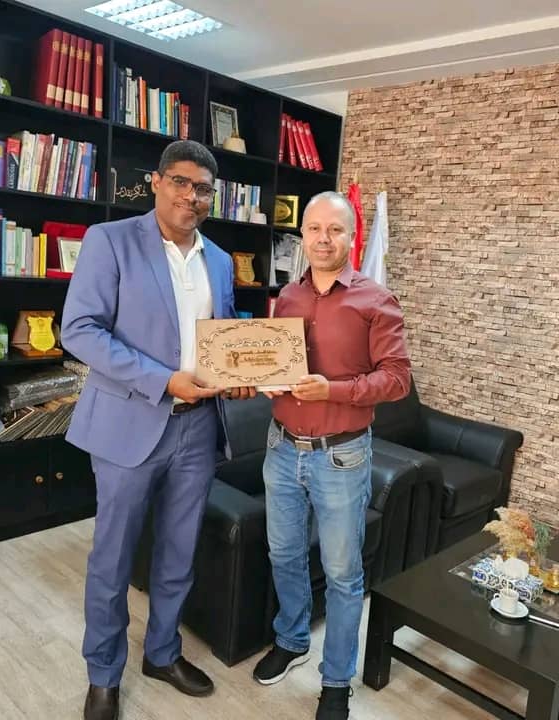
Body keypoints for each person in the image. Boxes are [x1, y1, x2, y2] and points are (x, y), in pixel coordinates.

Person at [61, 140, 254, 720]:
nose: (191, 196)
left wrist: (238, 374)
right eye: (180, 182)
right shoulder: (110, 241)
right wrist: (163, 380)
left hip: (198, 430)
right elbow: (80, 330)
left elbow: (221, 337)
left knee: (178, 550)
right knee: (113, 559)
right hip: (129, 424)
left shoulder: (220, 261)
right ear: (157, 182)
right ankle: (103, 675)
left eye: (203, 189)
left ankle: (162, 653)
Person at [252, 191, 411, 720]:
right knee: (283, 554)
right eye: (314, 229)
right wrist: (260, 377)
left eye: (334, 230)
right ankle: (292, 639)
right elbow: (276, 363)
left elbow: (397, 380)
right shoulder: (288, 296)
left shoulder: (376, 300)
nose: (323, 239)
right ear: (302, 235)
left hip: (341, 457)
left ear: (351, 236)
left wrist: (334, 390)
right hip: (281, 448)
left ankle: (337, 679)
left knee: (342, 573)